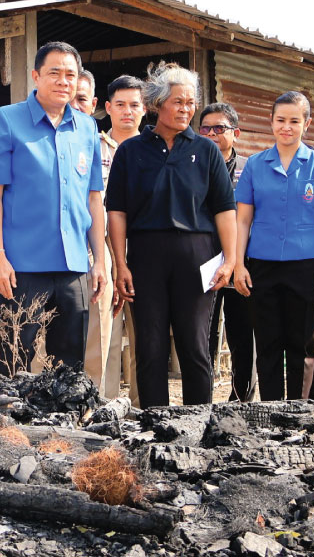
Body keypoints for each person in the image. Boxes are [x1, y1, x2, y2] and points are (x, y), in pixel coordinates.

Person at [106, 62, 237, 407]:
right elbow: (116, 212)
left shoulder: (206, 150)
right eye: (178, 102)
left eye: (190, 103)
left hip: (198, 254)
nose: (186, 109)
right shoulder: (131, 151)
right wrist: (120, 264)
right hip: (146, 255)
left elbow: (225, 209)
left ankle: (199, 419)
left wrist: (231, 259)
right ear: (158, 103)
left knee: (195, 345)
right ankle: (155, 423)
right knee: (150, 346)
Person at [0, 41, 107, 370]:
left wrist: (100, 261)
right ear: (36, 76)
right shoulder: (7, 119)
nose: (64, 81)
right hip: (23, 265)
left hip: (74, 265)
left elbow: (94, 198)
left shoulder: (87, 127)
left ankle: (62, 422)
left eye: (71, 74)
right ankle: (9, 421)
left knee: (69, 363)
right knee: (14, 358)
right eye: (55, 73)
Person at [233, 91, 314, 405]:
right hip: (262, 266)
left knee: (303, 343)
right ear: (271, 122)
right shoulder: (255, 165)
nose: (287, 127)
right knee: (267, 343)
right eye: (280, 120)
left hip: (306, 265)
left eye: (294, 121)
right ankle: (270, 410)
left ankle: (301, 410)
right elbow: (242, 221)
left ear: (306, 124)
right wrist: (239, 264)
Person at [199, 102, 256, 402]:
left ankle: (241, 398)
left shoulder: (251, 168)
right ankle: (202, 399)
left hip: (241, 262)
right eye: (205, 128)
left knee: (241, 333)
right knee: (203, 334)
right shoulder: (193, 163)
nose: (211, 134)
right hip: (205, 260)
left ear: (235, 133)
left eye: (218, 129)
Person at [71, 69, 116, 390]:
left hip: (99, 249)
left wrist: (105, 259)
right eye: (70, 97)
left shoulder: (105, 148)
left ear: (94, 104)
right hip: (56, 251)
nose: (74, 104)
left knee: (99, 333)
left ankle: (93, 405)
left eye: (82, 99)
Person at [101, 75, 146, 401]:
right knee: (106, 334)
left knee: (146, 332)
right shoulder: (92, 146)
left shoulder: (153, 149)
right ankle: (105, 406)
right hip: (101, 250)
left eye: (134, 105)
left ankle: (145, 409)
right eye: (120, 105)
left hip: (144, 250)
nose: (127, 111)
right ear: (108, 108)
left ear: (145, 109)